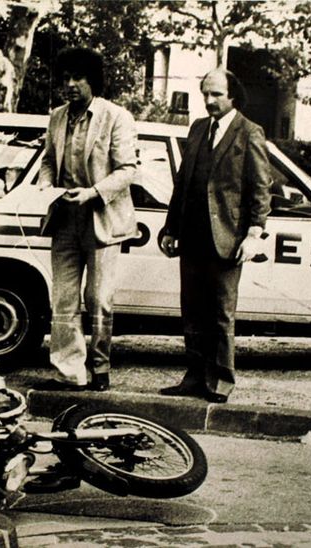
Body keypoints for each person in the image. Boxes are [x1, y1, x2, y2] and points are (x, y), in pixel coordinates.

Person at [159, 68, 271, 403]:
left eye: (216, 95)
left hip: (227, 240)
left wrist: (254, 234)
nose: (209, 101)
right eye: (205, 94)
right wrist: (170, 228)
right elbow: (183, 183)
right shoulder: (196, 130)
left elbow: (260, 190)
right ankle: (194, 377)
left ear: (232, 95)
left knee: (221, 313)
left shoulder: (249, 132)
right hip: (192, 237)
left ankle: (221, 381)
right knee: (192, 311)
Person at [37, 47, 138, 392]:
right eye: (65, 78)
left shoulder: (116, 117)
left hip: (103, 219)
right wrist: (45, 184)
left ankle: (100, 366)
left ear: (92, 80)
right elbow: (48, 160)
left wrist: (93, 192)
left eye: (77, 78)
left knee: (98, 299)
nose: (70, 85)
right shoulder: (56, 117)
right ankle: (68, 372)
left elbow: (128, 170)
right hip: (64, 219)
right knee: (63, 298)